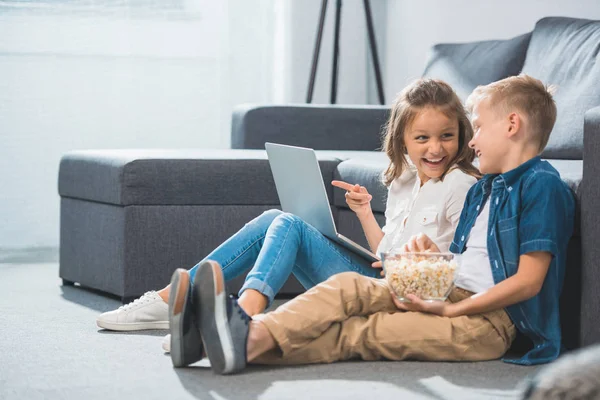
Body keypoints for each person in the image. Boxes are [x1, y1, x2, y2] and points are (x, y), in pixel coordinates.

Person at [169, 74, 576, 374]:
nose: (472, 140)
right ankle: (231, 335)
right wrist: (432, 263)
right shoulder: (488, 190)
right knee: (346, 287)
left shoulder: (542, 186)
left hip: (486, 324)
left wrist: (453, 310)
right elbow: (467, 258)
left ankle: (236, 340)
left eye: (479, 127)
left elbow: (528, 282)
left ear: (512, 125)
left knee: (365, 331)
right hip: (448, 292)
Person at [97, 79, 478, 351]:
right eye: (422, 139)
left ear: (461, 135)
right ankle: (171, 301)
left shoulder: (460, 183)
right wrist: (364, 215)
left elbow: (462, 266)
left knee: (288, 224)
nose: (435, 149)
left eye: (446, 136)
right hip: (381, 277)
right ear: (403, 141)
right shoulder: (403, 181)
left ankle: (243, 316)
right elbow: (384, 255)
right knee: (273, 219)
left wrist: (414, 267)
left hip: (406, 293)